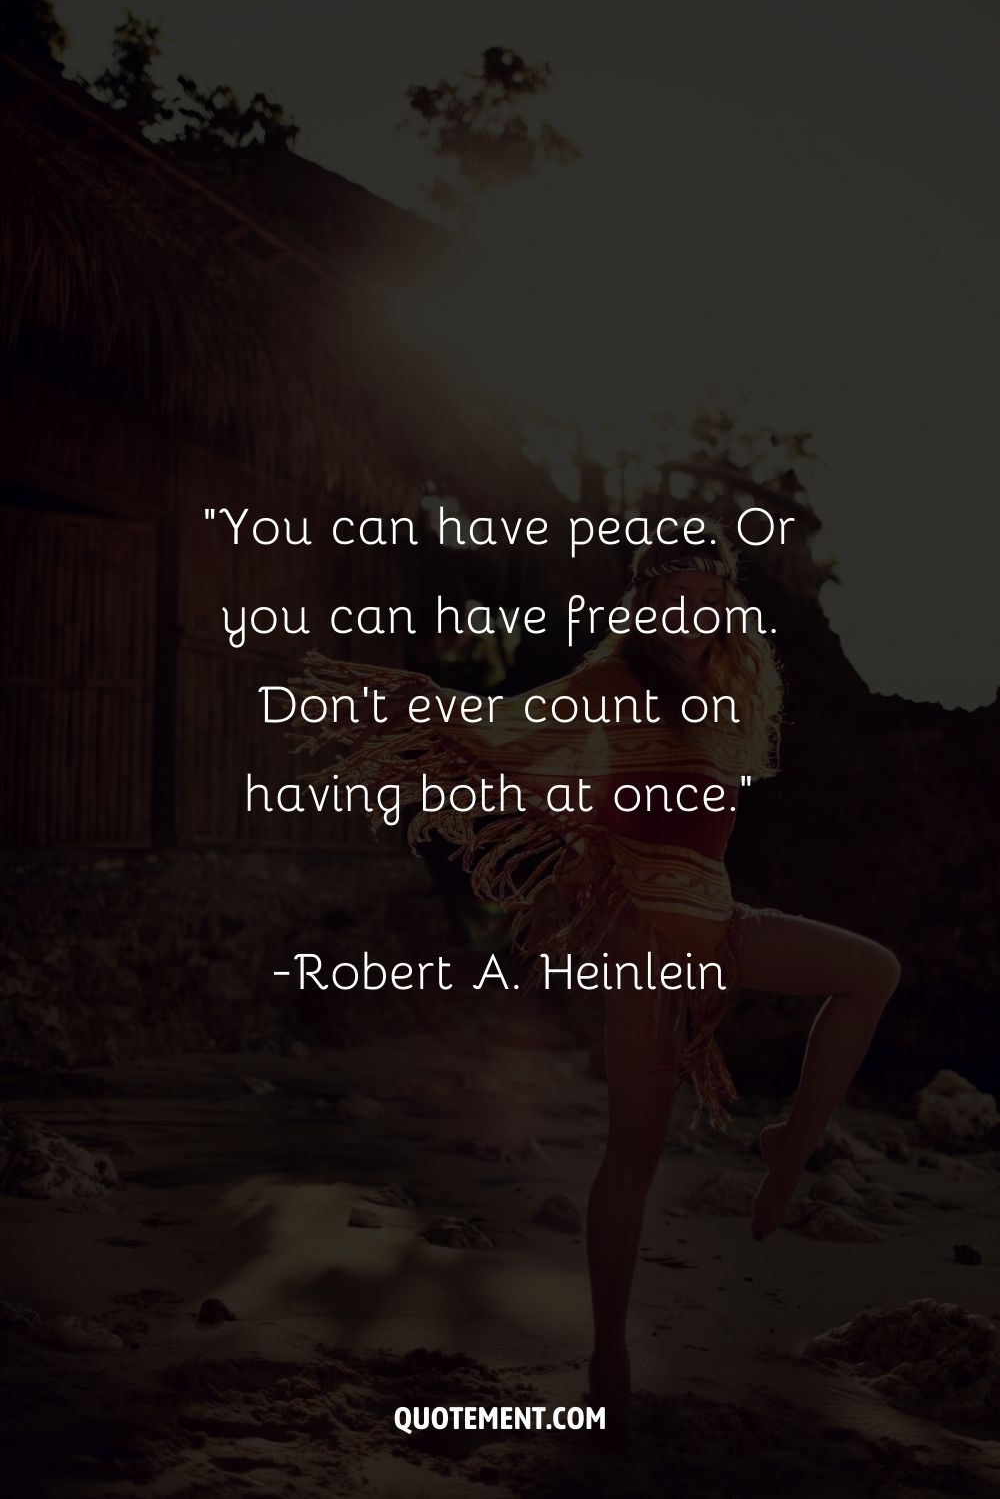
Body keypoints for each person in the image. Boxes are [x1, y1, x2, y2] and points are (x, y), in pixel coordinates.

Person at [290, 518, 901, 1436]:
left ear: (724, 606)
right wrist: (430, 701)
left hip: (721, 926)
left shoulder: (728, 699)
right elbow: (518, 723)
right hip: (648, 947)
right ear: (644, 604)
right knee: (634, 1154)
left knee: (872, 972)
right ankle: (608, 1352)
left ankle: (788, 1147)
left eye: (700, 598)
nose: (681, 613)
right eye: (664, 597)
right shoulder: (612, 682)